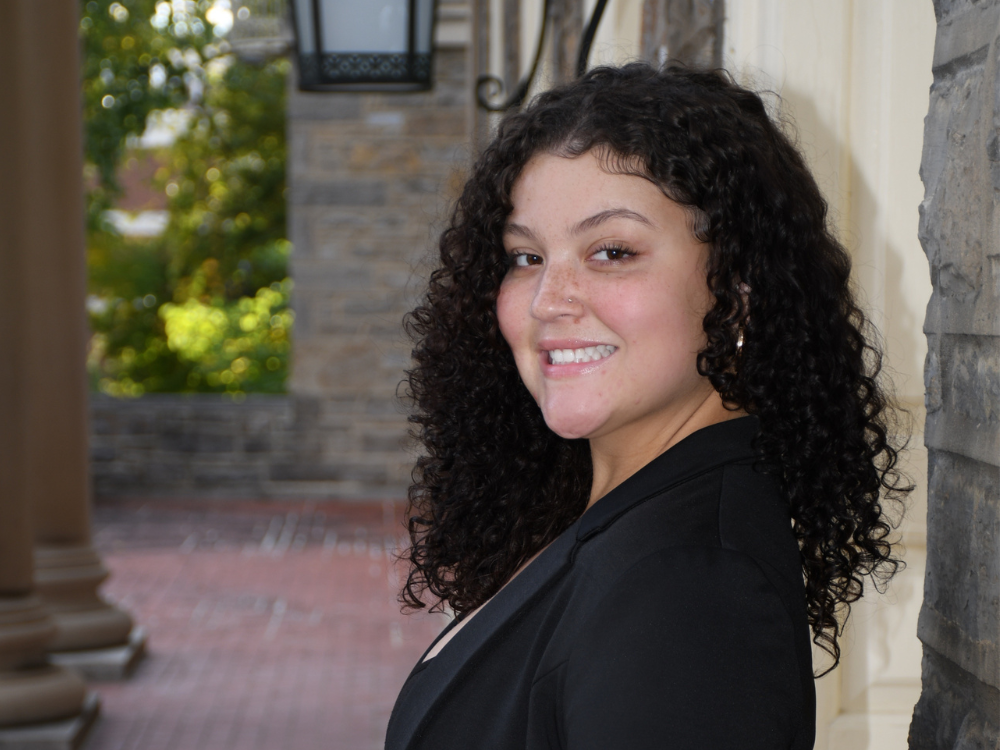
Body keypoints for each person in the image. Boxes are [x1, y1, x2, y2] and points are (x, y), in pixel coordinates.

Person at [386, 63, 910, 750]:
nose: (549, 300)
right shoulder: (620, 513)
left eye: (611, 251)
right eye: (524, 257)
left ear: (737, 292)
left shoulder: (690, 591)